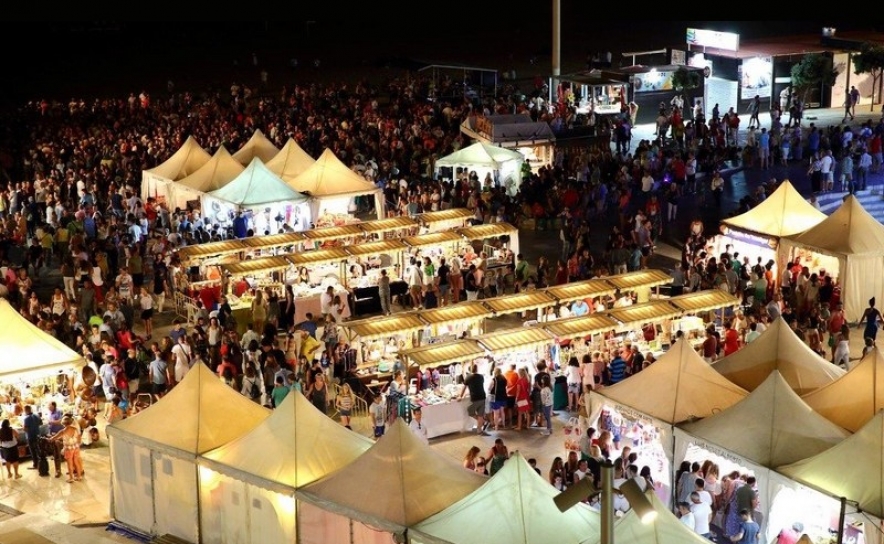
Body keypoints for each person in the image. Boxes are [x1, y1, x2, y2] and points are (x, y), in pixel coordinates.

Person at [49, 415, 84, 483]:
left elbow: (54, 438)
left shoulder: (63, 431)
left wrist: (50, 438)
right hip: (76, 447)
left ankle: (71, 478)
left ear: (63, 424)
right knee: (76, 462)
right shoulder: (75, 429)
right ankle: (79, 476)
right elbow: (77, 437)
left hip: (69, 449)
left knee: (69, 463)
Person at [459, 363, 488, 435]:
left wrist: (460, 396)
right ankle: (479, 429)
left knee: (470, 411)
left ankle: (482, 422)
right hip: (482, 396)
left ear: (470, 369)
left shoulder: (468, 377)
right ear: (477, 369)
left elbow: (464, 388)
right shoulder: (481, 376)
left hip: (475, 397)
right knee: (480, 414)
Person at [23, 405, 42, 470]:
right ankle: (40, 463)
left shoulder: (26, 418)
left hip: (30, 436)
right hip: (37, 435)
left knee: (33, 451)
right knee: (38, 449)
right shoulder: (37, 416)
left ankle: (35, 464)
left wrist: (23, 427)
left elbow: (25, 429)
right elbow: (40, 423)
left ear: (26, 410)